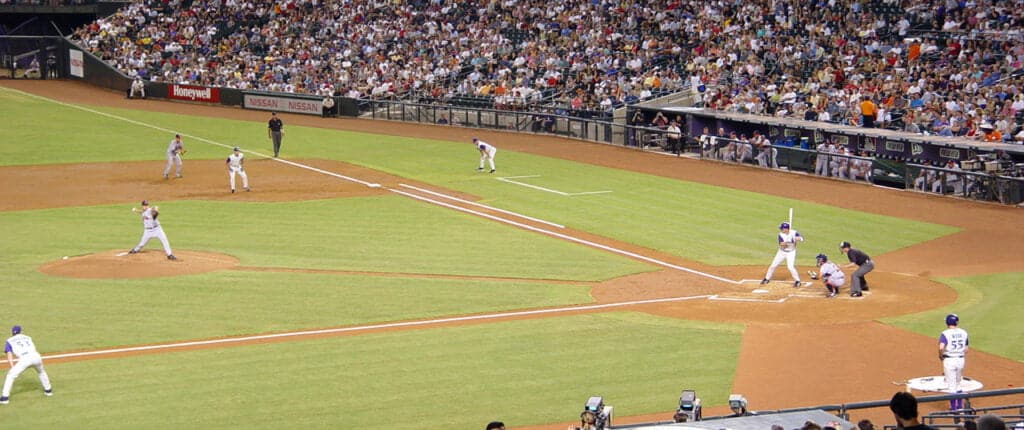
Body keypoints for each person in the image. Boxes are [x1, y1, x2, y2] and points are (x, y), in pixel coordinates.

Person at [1, 325, 53, 405]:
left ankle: (4, 398)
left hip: (24, 359)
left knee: (10, 375)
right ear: (21, 331)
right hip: (36, 356)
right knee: (41, 372)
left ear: (12, 332)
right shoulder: (28, 337)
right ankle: (48, 391)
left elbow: (9, 354)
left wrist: (12, 366)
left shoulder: (9, 341)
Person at [939, 313, 968, 410]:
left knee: (951, 384)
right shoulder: (964, 332)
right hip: (961, 359)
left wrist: (940, 355)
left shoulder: (945, 333)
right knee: (958, 383)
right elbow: (966, 349)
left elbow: (941, 347)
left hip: (950, 360)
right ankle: (959, 406)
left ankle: (953, 408)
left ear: (947, 322)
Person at [760, 222, 804, 287]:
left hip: (791, 253)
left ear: (786, 229)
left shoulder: (794, 233)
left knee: (790, 267)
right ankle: (766, 279)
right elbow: (782, 245)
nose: (781, 230)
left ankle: (797, 281)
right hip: (781, 252)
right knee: (773, 265)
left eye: (782, 228)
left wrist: (797, 238)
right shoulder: (780, 235)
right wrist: (789, 241)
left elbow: (801, 239)